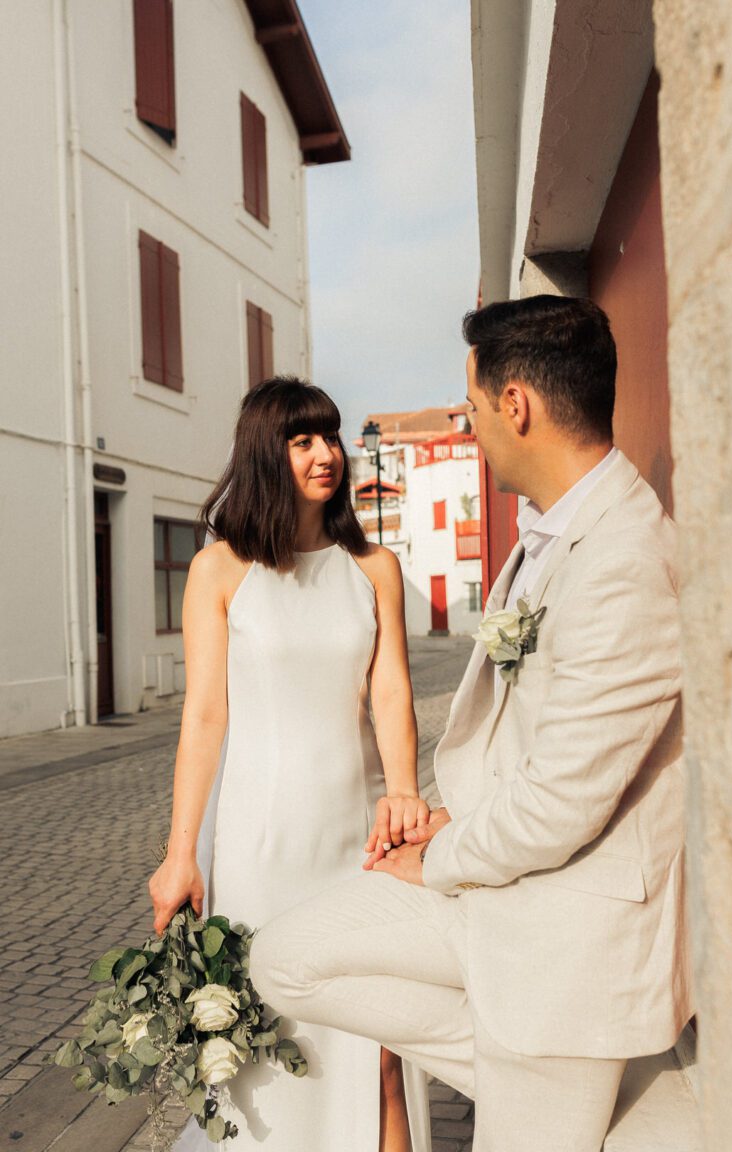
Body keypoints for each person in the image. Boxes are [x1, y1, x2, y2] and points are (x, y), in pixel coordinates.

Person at [248, 297, 694, 1152]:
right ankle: (545, 1088)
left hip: (565, 929)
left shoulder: (623, 559)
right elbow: (529, 748)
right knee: (285, 957)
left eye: (475, 409)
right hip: (505, 884)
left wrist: (438, 860)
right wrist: (452, 817)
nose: (475, 426)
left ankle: (561, 1093)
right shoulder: (550, 535)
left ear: (515, 405)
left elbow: (564, 803)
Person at [148, 376, 432, 1152]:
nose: (326, 454)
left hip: (359, 839)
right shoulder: (220, 569)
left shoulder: (374, 568)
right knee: (265, 1045)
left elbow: (392, 693)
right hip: (257, 845)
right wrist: (181, 854)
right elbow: (204, 716)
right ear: (265, 454)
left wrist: (405, 794)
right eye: (303, 439)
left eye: (330, 437)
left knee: (378, 1047)